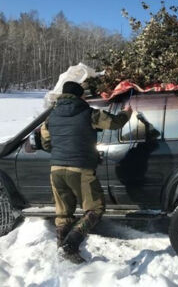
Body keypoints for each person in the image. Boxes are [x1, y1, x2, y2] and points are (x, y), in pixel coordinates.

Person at [40, 81, 132, 263]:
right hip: (80, 169)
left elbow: (45, 143)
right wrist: (126, 113)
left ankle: (63, 251)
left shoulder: (51, 117)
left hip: (56, 170)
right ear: (79, 96)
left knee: (63, 213)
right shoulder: (89, 113)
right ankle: (70, 245)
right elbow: (114, 123)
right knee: (95, 208)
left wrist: (62, 152)